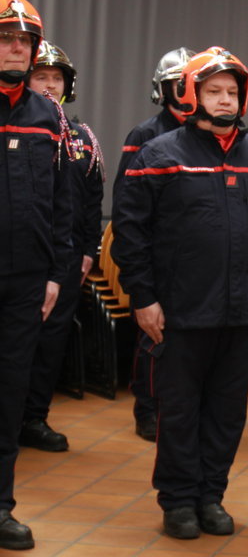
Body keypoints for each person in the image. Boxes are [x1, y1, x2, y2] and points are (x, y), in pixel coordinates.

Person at [112, 47, 248, 540]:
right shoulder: (159, 154)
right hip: (179, 313)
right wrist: (143, 297)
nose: (225, 100)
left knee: (227, 414)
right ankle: (178, 501)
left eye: (232, 92)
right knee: (180, 412)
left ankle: (211, 496)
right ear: (192, 94)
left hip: (242, 313)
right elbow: (130, 231)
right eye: (214, 91)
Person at [0, 0, 72, 552]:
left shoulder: (49, 117)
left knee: (8, 398)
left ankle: (0, 507)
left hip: (25, 284)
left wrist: (54, 273)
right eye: (6, 38)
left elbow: (62, 202)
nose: (16, 48)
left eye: (24, 40)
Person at [19, 43, 104, 454]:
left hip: (68, 259)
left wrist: (88, 250)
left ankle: (34, 418)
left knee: (51, 342)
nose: (50, 85)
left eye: (57, 79)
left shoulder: (83, 138)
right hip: (21, 257)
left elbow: (92, 199)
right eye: (42, 77)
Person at [115, 46, 195, 443]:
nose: (184, 90)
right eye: (175, 83)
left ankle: (180, 412)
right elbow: (126, 208)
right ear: (161, 90)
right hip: (156, 259)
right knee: (153, 340)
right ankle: (147, 411)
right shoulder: (145, 135)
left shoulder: (212, 134)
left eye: (189, 82)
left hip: (195, 261)